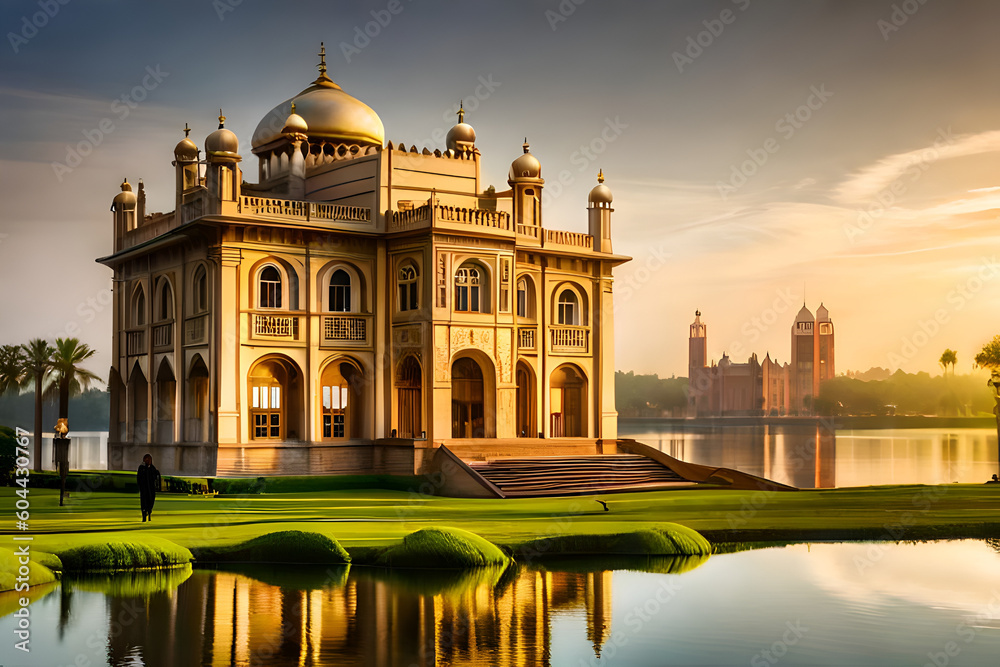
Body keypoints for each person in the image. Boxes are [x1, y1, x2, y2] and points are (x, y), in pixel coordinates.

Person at [137, 454, 160, 522]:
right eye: (146, 459)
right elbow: (139, 478)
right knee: (144, 502)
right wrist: (141, 487)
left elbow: (155, 477)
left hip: (151, 489)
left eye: (149, 459)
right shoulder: (142, 468)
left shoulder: (152, 468)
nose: (148, 461)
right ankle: (144, 514)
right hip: (144, 489)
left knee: (151, 501)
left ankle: (149, 512)